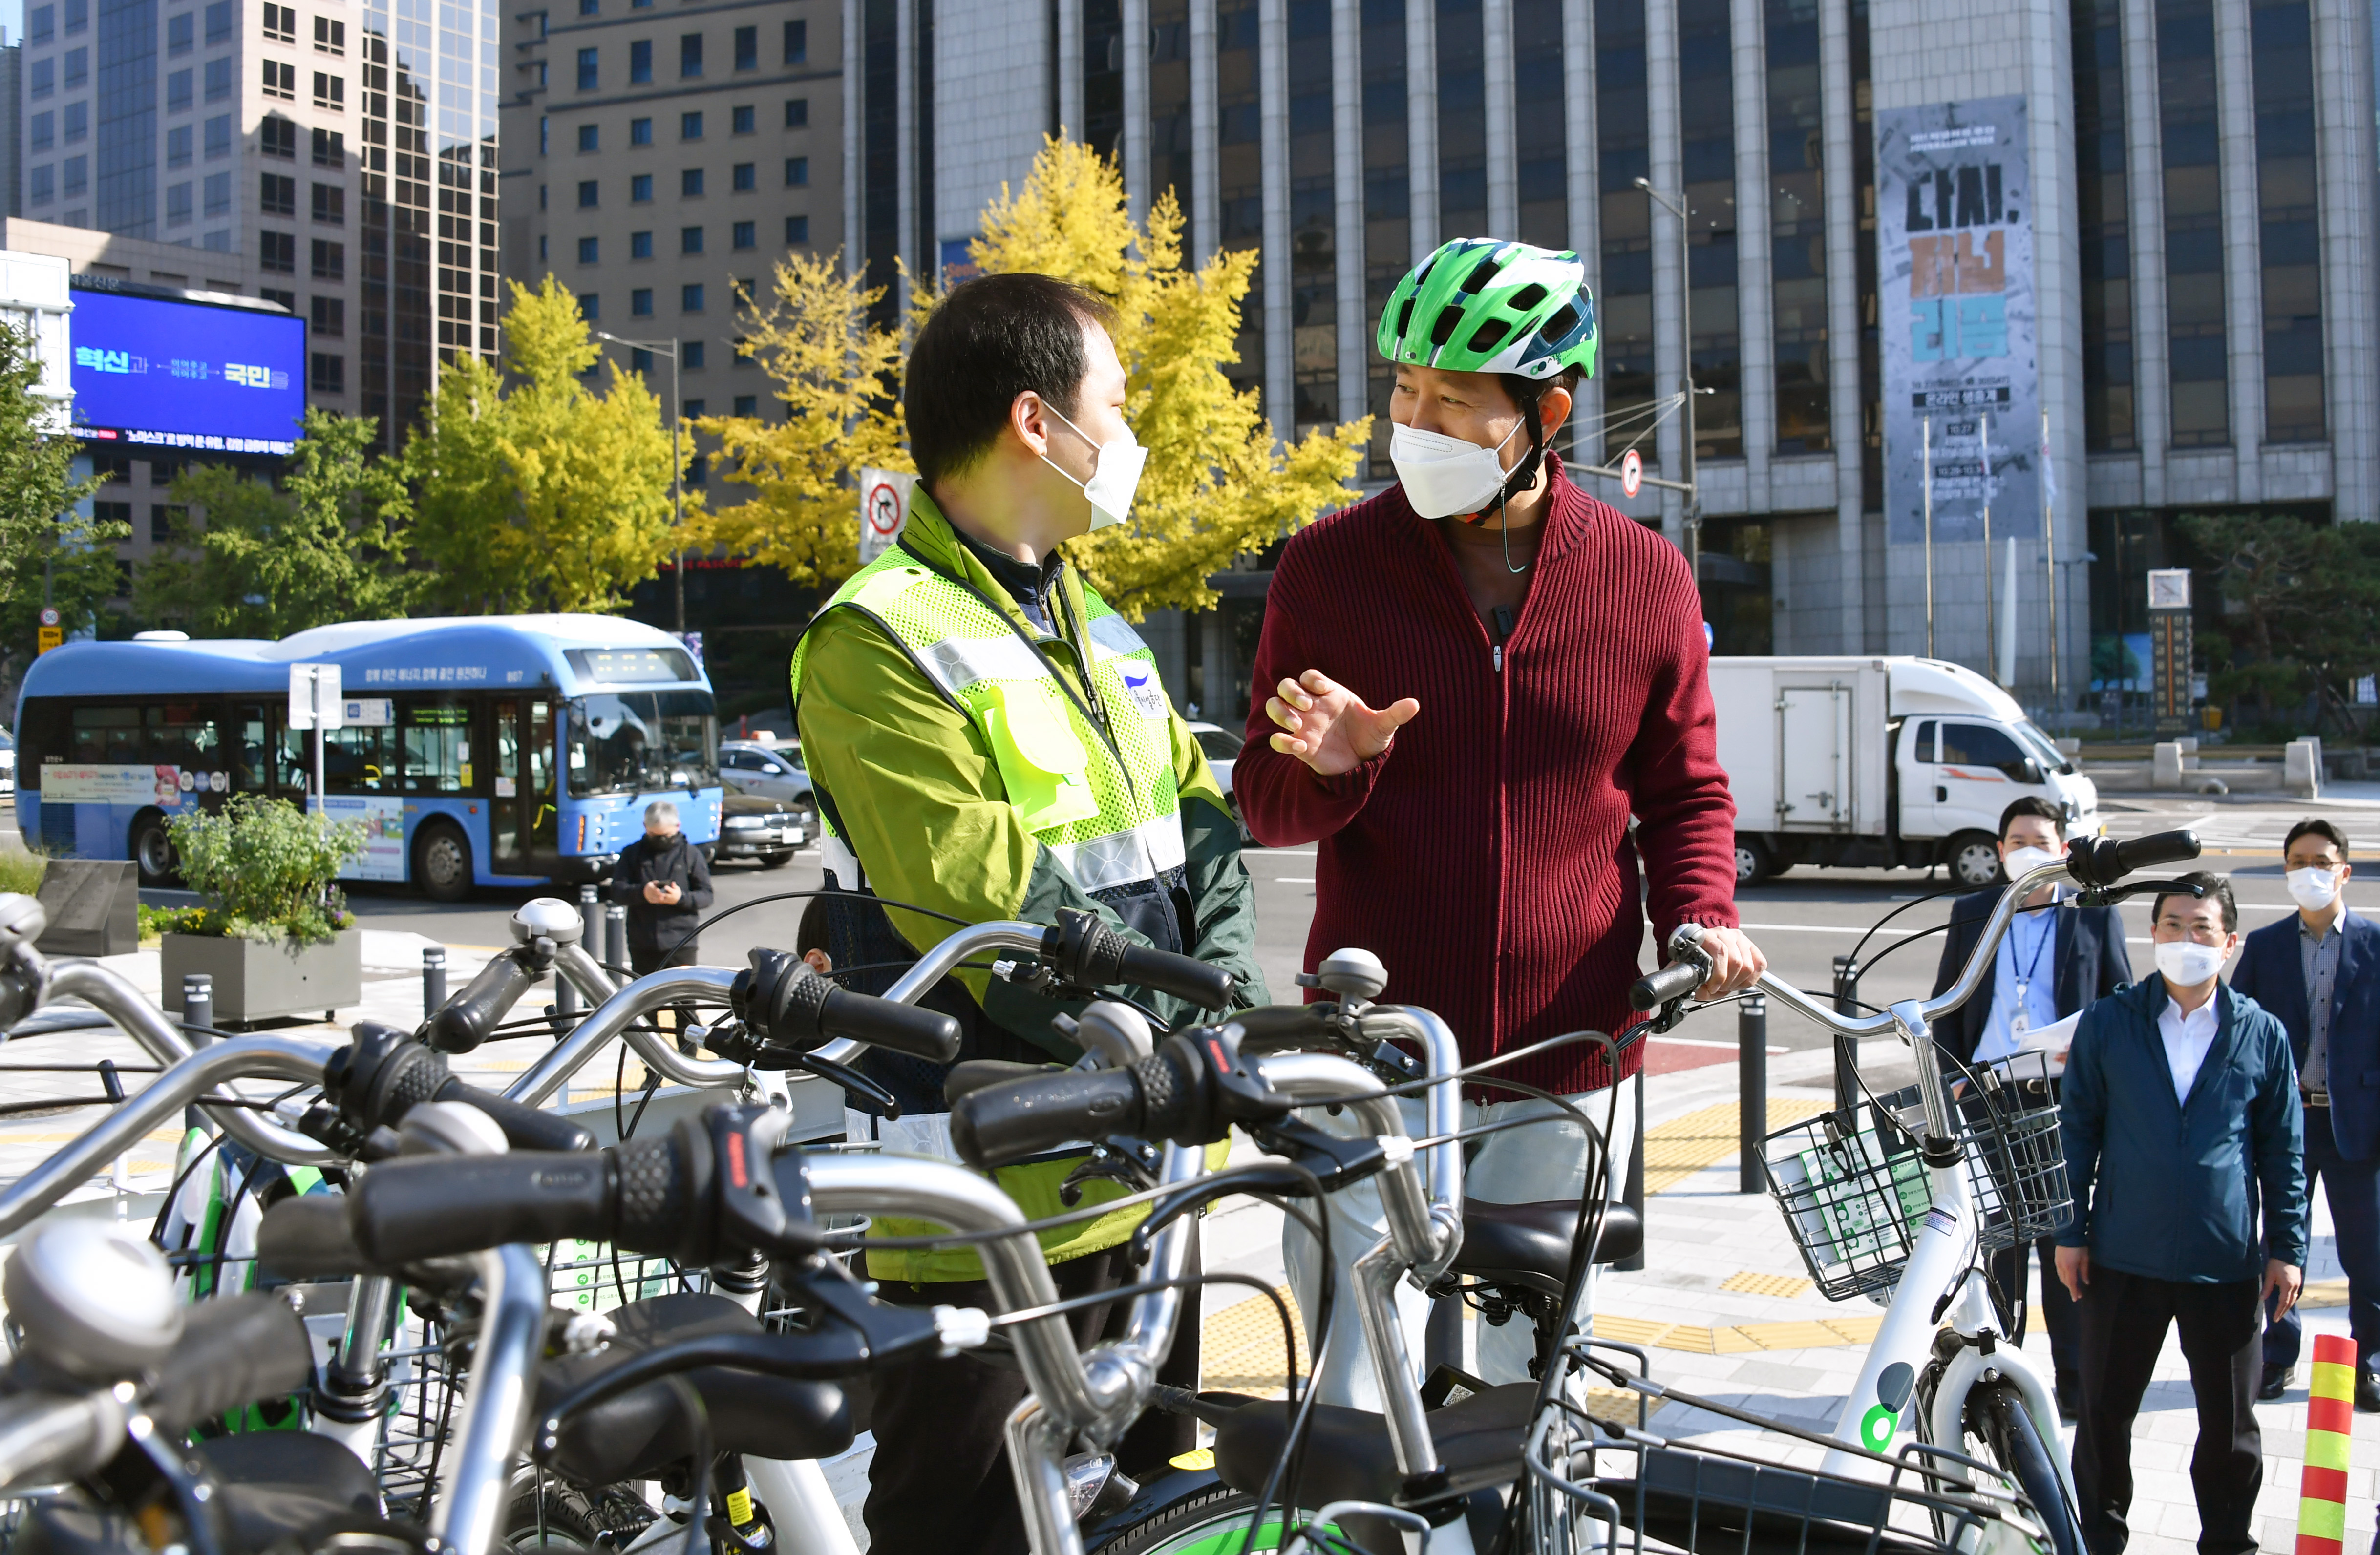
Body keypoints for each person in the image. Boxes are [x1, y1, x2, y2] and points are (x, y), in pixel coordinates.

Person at [1233, 237, 1764, 1388]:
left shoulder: (1646, 577)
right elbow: (1263, 805)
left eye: (1453, 399)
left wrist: (1701, 914)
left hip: (1566, 1052)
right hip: (1368, 1052)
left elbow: (1685, 792)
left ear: (1547, 411)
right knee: (1349, 1386)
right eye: (1404, 389)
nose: (1411, 420)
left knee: (1530, 1397)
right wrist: (1330, 766)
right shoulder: (1328, 566)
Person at [791, 272, 1263, 1555]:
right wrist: (1181, 1045)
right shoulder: (874, 638)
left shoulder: (1100, 622)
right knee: (974, 1528)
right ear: (1035, 422)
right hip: (993, 1224)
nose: (1132, 432)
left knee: (1165, 1526)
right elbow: (994, 905)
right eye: (1116, 401)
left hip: (1154, 1182)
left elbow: (1201, 821)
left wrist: (1229, 1007)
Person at [2056, 871, 2305, 1555]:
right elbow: (2077, 1131)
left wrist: (2288, 1248)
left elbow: (2284, 1151)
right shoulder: (2110, 1023)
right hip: (2121, 1256)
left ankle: (2227, 1542)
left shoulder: (2263, 1034)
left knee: (2229, 1427)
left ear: (2230, 943)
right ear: (2152, 933)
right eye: (2173, 925)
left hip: (2222, 1261)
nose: (2186, 939)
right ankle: (2100, 1540)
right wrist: (2069, 1233)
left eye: (2202, 928)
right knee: (2105, 1417)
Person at [1927, 794, 2131, 1417]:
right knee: (2001, 1242)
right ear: (1998, 850)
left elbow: (2119, 1000)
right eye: (2016, 841)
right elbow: (1943, 1007)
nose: (2027, 852)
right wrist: (1951, 1081)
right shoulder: (1973, 911)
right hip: (1989, 1096)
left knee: (2063, 1238)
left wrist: (2091, 1057)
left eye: (2040, 841)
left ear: (2064, 848)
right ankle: (2002, 1370)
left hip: (2060, 1099)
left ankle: (2074, 1377)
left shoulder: (2092, 916)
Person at [2237, 818, 2380, 1404]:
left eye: (2322, 861)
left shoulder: (2374, 944)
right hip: (2286, 1123)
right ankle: (2278, 1352)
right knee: (2281, 1244)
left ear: (2344, 870)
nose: (2310, 872)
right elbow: (2239, 1028)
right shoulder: (2266, 946)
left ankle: (2366, 1360)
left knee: (2366, 1251)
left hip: (2357, 1124)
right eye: (2298, 861)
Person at [608, 799, 713, 976]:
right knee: (646, 999)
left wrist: (680, 898)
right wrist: (643, 893)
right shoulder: (632, 854)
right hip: (643, 942)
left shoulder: (691, 855)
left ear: (678, 826)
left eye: (666, 836)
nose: (661, 841)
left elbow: (706, 895)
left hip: (681, 942)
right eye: (654, 836)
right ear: (645, 827)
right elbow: (617, 892)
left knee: (684, 999)